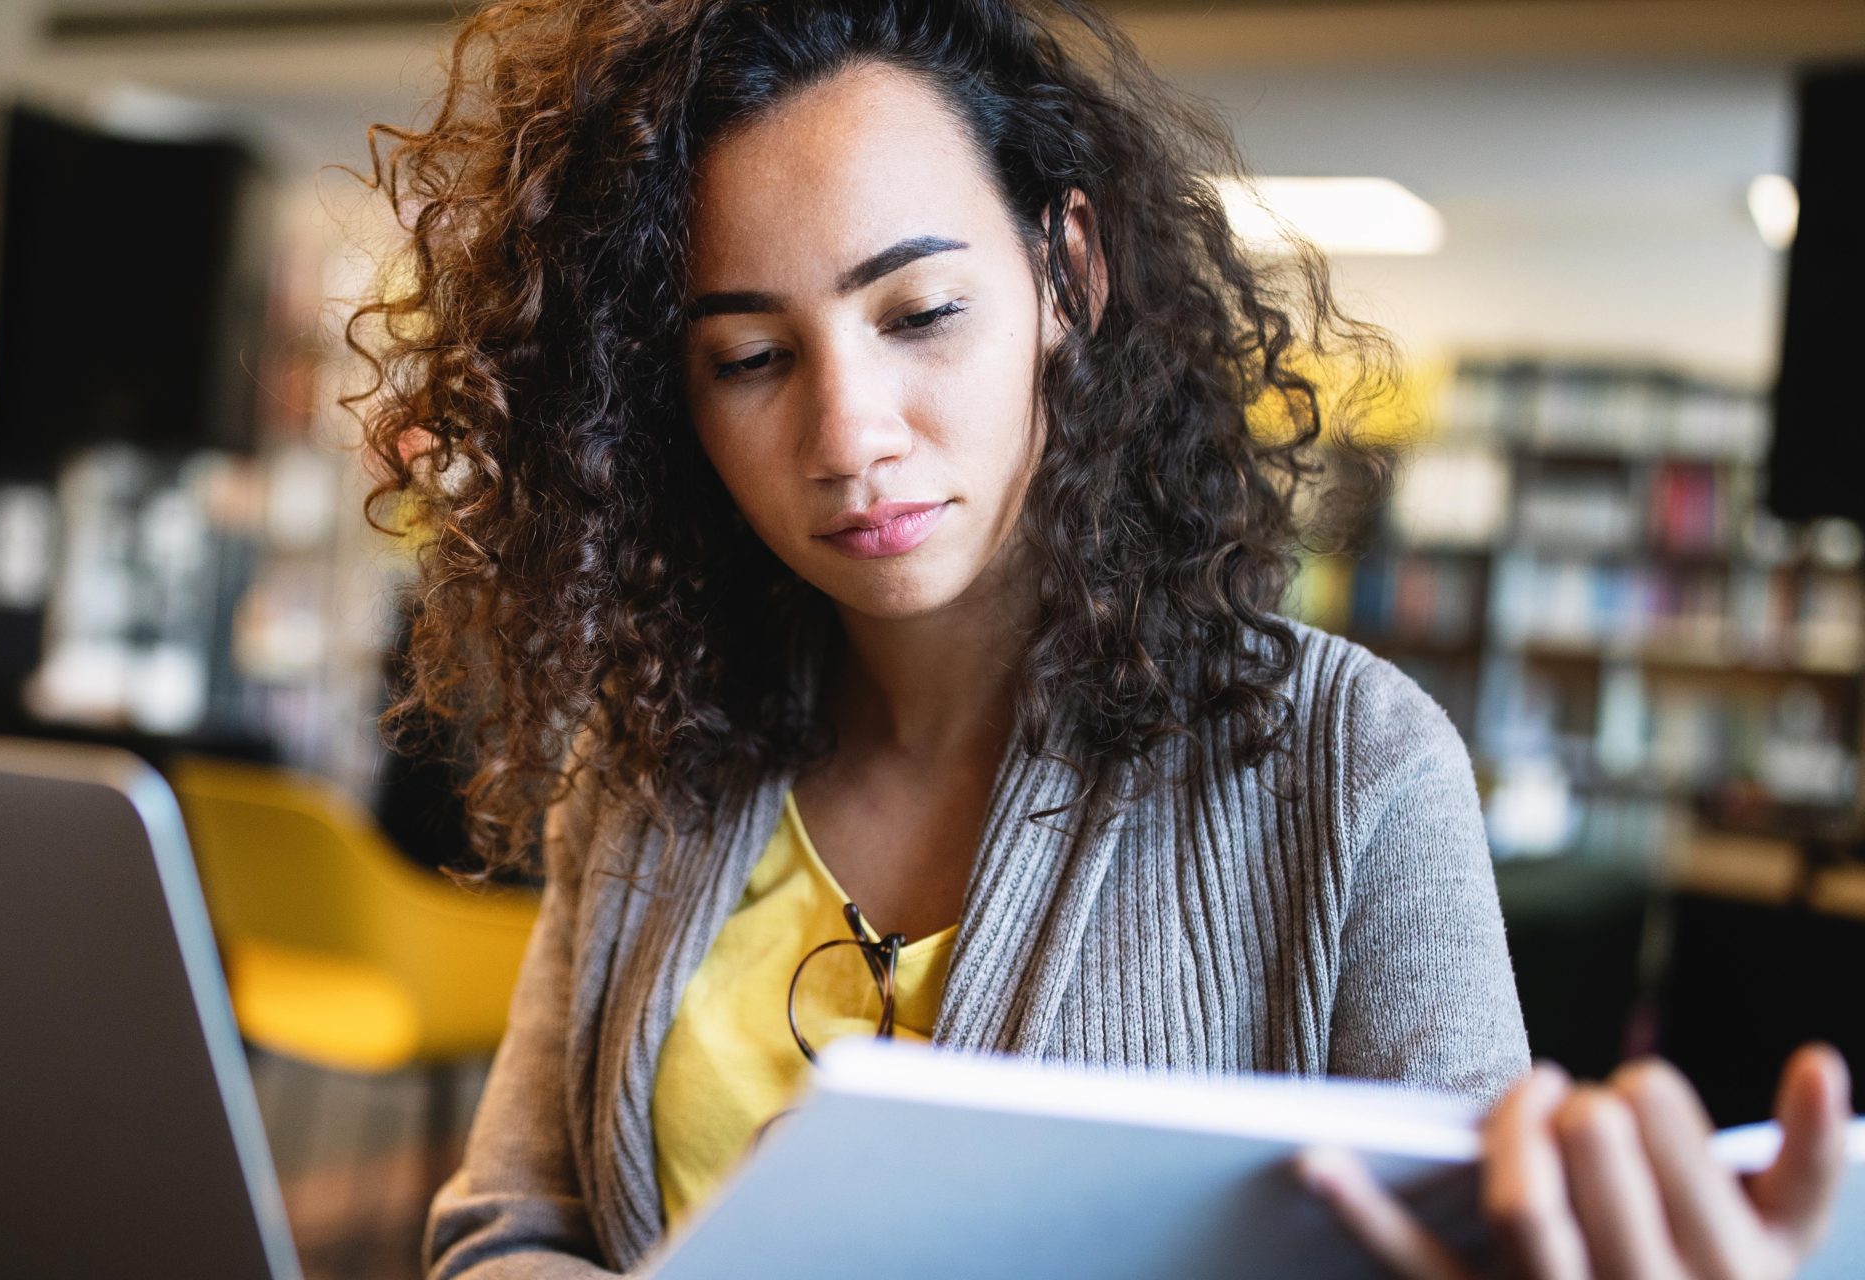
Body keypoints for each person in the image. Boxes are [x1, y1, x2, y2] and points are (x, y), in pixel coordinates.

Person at [345, 1, 1852, 1276]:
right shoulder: (650, 766)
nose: (849, 436)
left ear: (1068, 274)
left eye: (920, 313)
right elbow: (509, 1223)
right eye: (749, 356)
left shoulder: (1351, 767)